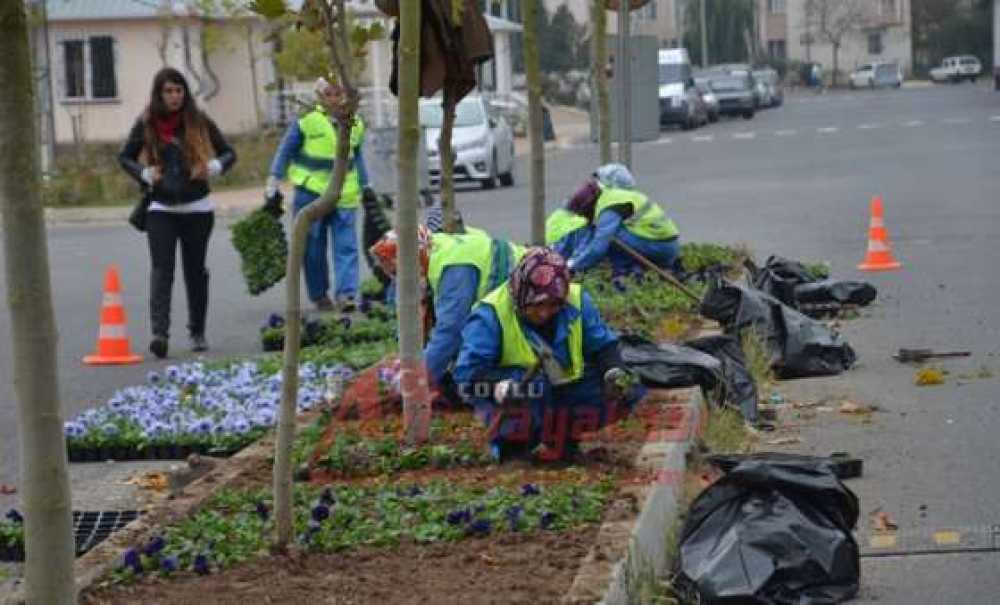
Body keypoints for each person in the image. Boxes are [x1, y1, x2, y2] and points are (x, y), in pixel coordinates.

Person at [453, 248, 643, 460]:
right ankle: (514, 450)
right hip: (517, 392)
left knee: (628, 388)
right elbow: (467, 375)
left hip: (563, 386)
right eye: (537, 305)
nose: (544, 313)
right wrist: (498, 387)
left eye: (553, 305)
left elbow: (602, 345)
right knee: (534, 390)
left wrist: (614, 371)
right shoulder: (490, 314)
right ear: (520, 295)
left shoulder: (577, 300)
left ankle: (563, 442)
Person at [118, 67, 236, 359]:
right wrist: (144, 173)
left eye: (179, 90)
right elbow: (124, 157)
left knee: (195, 272)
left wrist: (211, 167)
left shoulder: (198, 120)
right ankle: (160, 334)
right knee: (162, 271)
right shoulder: (147, 122)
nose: (174, 97)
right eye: (168, 91)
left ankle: (197, 330)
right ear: (159, 94)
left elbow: (228, 153)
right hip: (161, 208)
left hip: (198, 208)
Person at [369, 226, 525, 389]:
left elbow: (450, 331)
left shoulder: (453, 268)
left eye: (397, 271)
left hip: (527, 299)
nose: (397, 278)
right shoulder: (437, 246)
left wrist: (417, 380)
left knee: (467, 375)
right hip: (519, 291)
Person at [266, 78, 370, 312]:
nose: (334, 98)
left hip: (345, 194)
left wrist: (367, 185)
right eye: (329, 93)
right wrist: (273, 180)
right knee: (312, 247)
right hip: (311, 193)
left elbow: (358, 156)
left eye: (338, 93)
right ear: (320, 96)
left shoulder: (355, 122)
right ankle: (319, 294)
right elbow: (285, 151)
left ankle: (347, 294)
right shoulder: (306, 121)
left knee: (347, 246)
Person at [563, 163, 681, 277]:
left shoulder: (612, 201)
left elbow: (599, 246)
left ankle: (623, 272)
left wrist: (572, 267)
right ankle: (626, 270)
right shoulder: (627, 196)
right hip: (664, 245)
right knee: (602, 233)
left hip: (660, 248)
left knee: (606, 236)